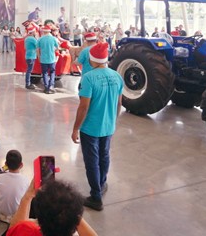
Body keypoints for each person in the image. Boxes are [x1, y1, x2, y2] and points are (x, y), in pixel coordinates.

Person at [71, 42, 123, 211]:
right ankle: (101, 184)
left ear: (92, 60)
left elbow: (84, 106)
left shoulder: (88, 78)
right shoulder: (117, 76)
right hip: (108, 126)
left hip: (90, 128)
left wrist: (75, 128)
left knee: (92, 160)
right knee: (104, 155)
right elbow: (119, 103)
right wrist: (113, 120)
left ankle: (95, 196)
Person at [7, 179, 97, 236]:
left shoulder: (27, 230)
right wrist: (71, 210)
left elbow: (14, 229)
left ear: (39, 219)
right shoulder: (75, 220)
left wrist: (27, 196)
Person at [0, 149, 29, 223]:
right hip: (17, 212)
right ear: (21, 165)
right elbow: (26, 197)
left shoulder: (0, 177)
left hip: (1, 211)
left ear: (6, 164)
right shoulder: (25, 180)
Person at [37, 25, 59, 94]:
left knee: (45, 73)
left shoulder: (40, 39)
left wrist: (39, 57)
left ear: (43, 31)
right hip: (52, 59)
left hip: (43, 59)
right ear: (50, 31)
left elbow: (37, 50)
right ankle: (51, 86)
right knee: (52, 72)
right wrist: (52, 50)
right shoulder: (54, 39)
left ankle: (46, 87)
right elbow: (57, 48)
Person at [24, 25, 37, 90]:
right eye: (35, 31)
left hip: (27, 55)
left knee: (28, 70)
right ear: (32, 32)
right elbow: (37, 45)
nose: (35, 32)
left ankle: (28, 83)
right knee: (29, 70)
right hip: (32, 56)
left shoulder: (26, 39)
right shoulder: (32, 39)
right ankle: (28, 84)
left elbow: (25, 47)